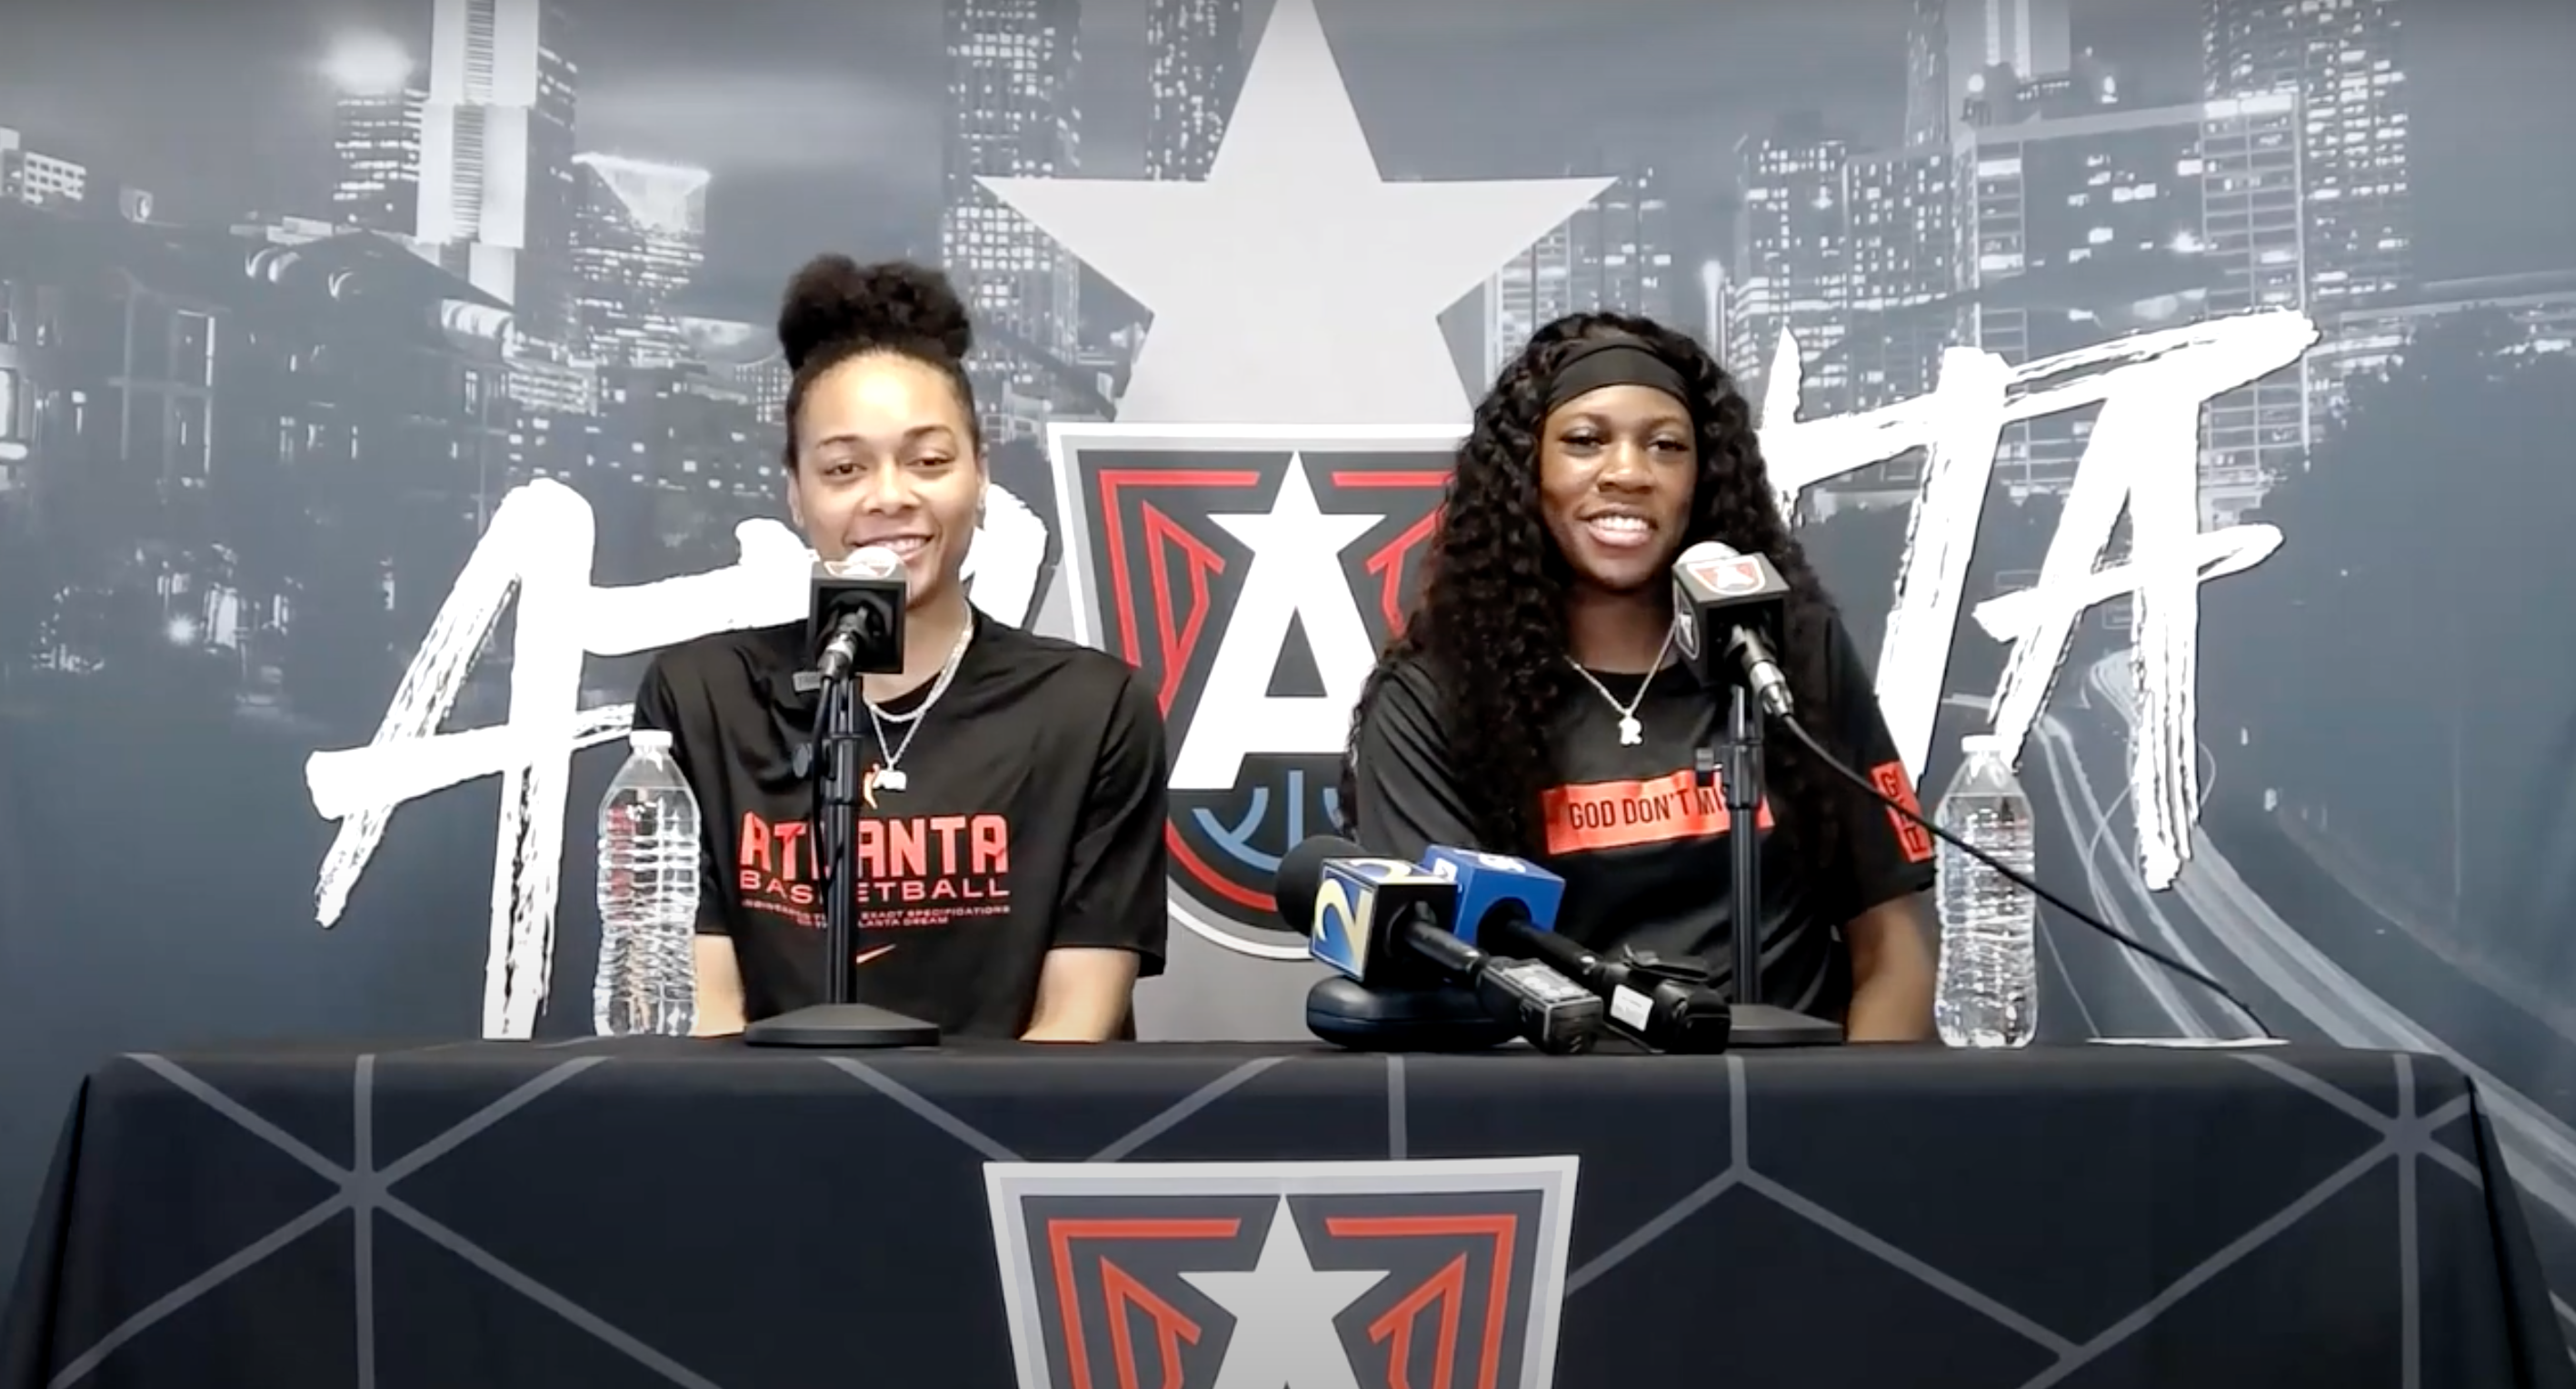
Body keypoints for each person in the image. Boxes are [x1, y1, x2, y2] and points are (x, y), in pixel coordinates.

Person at [1341, 312, 1938, 1041]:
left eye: (1665, 446)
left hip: (1798, 1118)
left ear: (1703, 479)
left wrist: (1855, 1126)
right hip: (1564, 1119)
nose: (1628, 473)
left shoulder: (1789, 655)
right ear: (1528, 473)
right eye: (1586, 441)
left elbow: (1893, 942)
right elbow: (1450, 989)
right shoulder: (1437, 696)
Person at [633, 255, 1169, 1041]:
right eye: (844, 468)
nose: (889, 496)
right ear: (795, 490)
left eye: (929, 461)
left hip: (1005, 1152)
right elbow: (701, 1011)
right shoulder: (705, 697)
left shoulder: (1089, 710)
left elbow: (1075, 1029)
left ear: (980, 476)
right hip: (764, 1144)